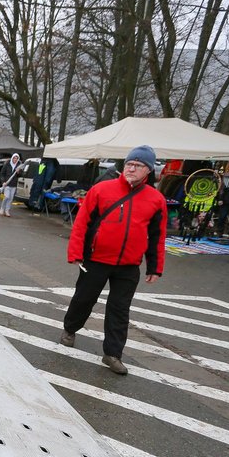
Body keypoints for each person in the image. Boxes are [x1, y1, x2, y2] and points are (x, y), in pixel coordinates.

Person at [59, 145, 167, 376]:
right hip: (96, 259)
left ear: (148, 171)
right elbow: (81, 223)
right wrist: (75, 253)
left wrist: (155, 267)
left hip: (128, 265)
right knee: (83, 299)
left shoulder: (156, 200)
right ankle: (70, 328)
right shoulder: (101, 190)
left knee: (120, 310)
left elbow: (158, 235)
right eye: (129, 164)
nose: (131, 168)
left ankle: (113, 353)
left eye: (138, 166)